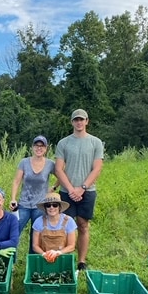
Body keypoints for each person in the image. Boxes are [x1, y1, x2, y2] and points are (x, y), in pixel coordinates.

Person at [54, 109, 104, 271]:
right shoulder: (64, 143)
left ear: (87, 121)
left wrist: (82, 188)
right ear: (72, 122)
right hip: (66, 191)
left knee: (83, 225)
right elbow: (59, 169)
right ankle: (65, 258)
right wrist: (70, 189)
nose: (79, 122)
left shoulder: (95, 142)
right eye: (76, 120)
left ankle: (81, 261)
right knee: (65, 226)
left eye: (81, 120)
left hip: (87, 191)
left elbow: (97, 168)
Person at [10, 135, 56, 252]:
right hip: (24, 204)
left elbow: (61, 174)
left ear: (46, 148)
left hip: (40, 206)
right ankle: (11, 260)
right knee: (14, 231)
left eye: (42, 146)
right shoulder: (24, 162)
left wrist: (54, 187)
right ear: (32, 147)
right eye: (36, 145)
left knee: (36, 235)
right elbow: (16, 181)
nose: (39, 148)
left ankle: (32, 261)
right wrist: (13, 198)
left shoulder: (50, 164)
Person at [31, 192, 77, 263]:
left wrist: (58, 253)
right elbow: (35, 246)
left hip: (62, 258)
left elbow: (71, 246)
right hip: (43, 258)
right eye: (48, 205)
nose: (51, 207)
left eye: (55, 205)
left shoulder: (69, 221)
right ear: (45, 208)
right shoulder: (38, 221)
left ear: (60, 207)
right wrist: (45, 254)